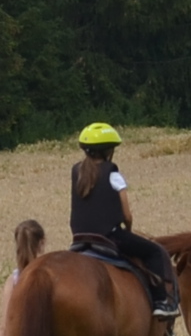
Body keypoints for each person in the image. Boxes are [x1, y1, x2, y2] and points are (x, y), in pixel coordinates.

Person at [69, 123, 182, 319]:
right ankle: (161, 302)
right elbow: (127, 214)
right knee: (155, 252)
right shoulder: (112, 173)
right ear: (109, 151)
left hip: (79, 239)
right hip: (109, 237)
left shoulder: (76, 171)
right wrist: (128, 229)